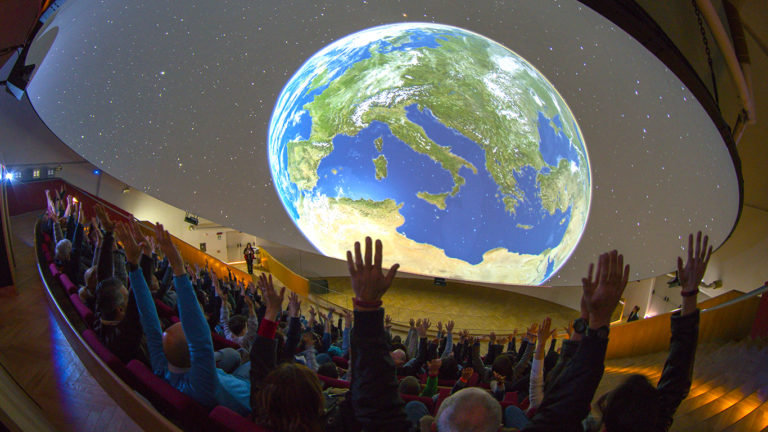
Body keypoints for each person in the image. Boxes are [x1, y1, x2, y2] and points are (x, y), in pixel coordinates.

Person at [119, 220, 251, 416]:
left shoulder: (161, 366)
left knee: (232, 355)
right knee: (251, 364)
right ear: (195, 355)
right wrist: (178, 268)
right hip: (245, 395)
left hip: (222, 376)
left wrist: (134, 266)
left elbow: (149, 319)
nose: (182, 323)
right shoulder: (203, 383)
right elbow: (199, 334)